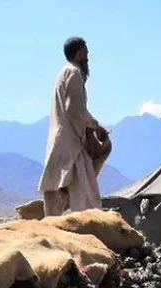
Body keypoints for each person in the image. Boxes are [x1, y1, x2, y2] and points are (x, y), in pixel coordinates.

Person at [40, 37, 109, 217]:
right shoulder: (74, 73)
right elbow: (74, 110)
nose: (88, 57)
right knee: (87, 199)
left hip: (63, 142)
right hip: (71, 146)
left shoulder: (63, 73)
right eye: (86, 53)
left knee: (60, 191)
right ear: (79, 54)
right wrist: (96, 127)